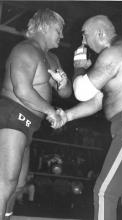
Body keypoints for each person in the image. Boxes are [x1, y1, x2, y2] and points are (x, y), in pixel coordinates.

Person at [55, 15, 122, 220]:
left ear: (100, 33)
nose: (83, 42)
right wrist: (67, 116)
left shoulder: (114, 53)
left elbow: (81, 92)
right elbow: (97, 101)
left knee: (104, 192)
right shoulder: (121, 53)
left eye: (85, 35)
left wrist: (79, 67)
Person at [0, 8, 72, 220]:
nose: (62, 35)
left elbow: (66, 93)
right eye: (59, 30)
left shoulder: (52, 59)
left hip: (29, 123)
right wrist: (51, 112)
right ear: (46, 26)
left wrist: (64, 82)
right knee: (6, 181)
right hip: (13, 116)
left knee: (19, 184)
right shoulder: (25, 50)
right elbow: (22, 90)